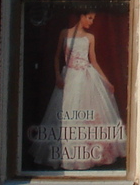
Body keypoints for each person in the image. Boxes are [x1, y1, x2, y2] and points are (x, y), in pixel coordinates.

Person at [27, 9, 126, 170]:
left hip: (86, 77)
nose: (91, 22)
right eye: (89, 18)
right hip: (70, 76)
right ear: (81, 16)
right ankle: (67, 156)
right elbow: (56, 56)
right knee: (67, 111)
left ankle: (87, 155)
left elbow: (93, 61)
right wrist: (58, 76)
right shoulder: (65, 33)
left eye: (93, 19)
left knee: (88, 113)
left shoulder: (90, 37)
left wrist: (106, 81)